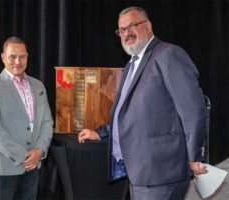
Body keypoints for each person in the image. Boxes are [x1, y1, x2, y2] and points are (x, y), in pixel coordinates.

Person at [78, 7, 208, 200]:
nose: (126, 33)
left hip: (162, 172)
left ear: (148, 25)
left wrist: (195, 155)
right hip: (140, 172)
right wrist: (101, 132)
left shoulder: (168, 54)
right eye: (121, 30)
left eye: (131, 26)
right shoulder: (132, 64)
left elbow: (193, 109)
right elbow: (128, 111)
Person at [0, 36, 53, 200]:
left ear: (27, 57)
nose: (18, 61)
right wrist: (24, 156)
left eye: (22, 56)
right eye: (12, 57)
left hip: (33, 168)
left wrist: (39, 151)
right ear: (3, 57)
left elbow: (47, 122)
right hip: (4, 169)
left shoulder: (38, 86)